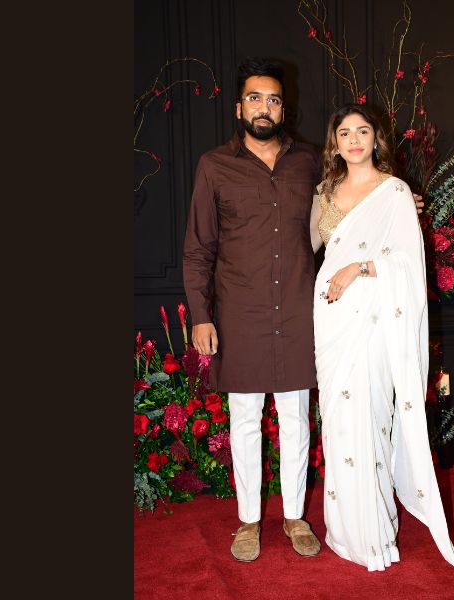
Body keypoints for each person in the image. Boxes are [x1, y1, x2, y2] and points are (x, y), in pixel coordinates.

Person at [309, 104, 454, 575]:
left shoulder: (395, 191)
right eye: (344, 132)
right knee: (339, 422)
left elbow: (407, 263)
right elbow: (307, 249)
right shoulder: (324, 193)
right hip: (331, 317)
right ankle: (345, 532)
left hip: (375, 319)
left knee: (371, 417)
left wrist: (359, 268)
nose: (354, 139)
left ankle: (375, 537)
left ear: (376, 139)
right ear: (334, 143)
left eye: (362, 131)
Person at [183, 57, 322, 562]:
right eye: (256, 98)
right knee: (244, 419)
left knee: (296, 419)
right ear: (239, 107)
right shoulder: (214, 165)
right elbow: (198, 247)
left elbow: (348, 207)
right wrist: (201, 315)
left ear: (285, 108)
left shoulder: (310, 162)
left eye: (274, 99)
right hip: (239, 313)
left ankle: (294, 517)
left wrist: (397, 201)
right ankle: (248, 521)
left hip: (298, 311)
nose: (265, 107)